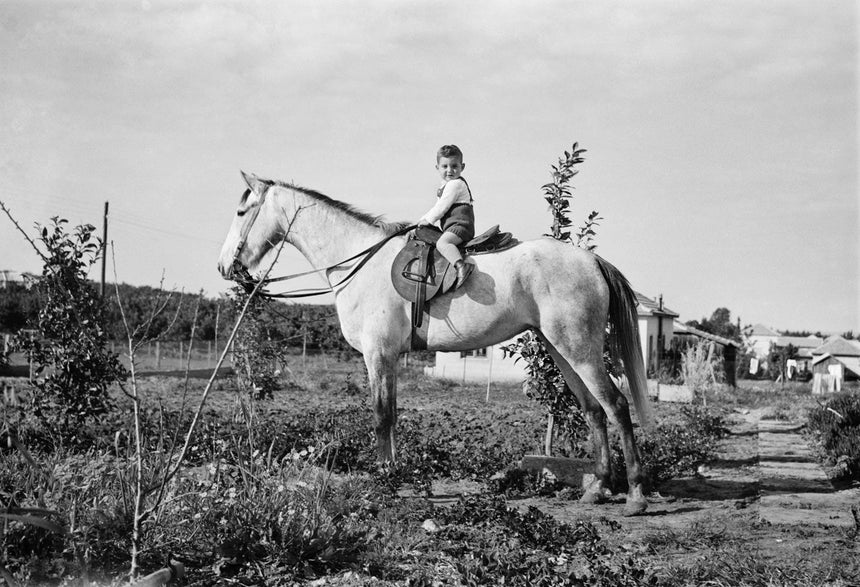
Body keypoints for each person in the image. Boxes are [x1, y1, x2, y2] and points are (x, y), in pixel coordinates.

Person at [417, 144, 476, 286]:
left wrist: (426, 220)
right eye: (445, 166)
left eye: (454, 166)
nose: (450, 170)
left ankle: (461, 266)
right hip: (453, 226)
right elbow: (438, 207)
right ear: (437, 168)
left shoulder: (455, 184)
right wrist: (422, 220)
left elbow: (441, 208)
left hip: (460, 226)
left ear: (462, 167)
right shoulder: (445, 185)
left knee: (442, 243)